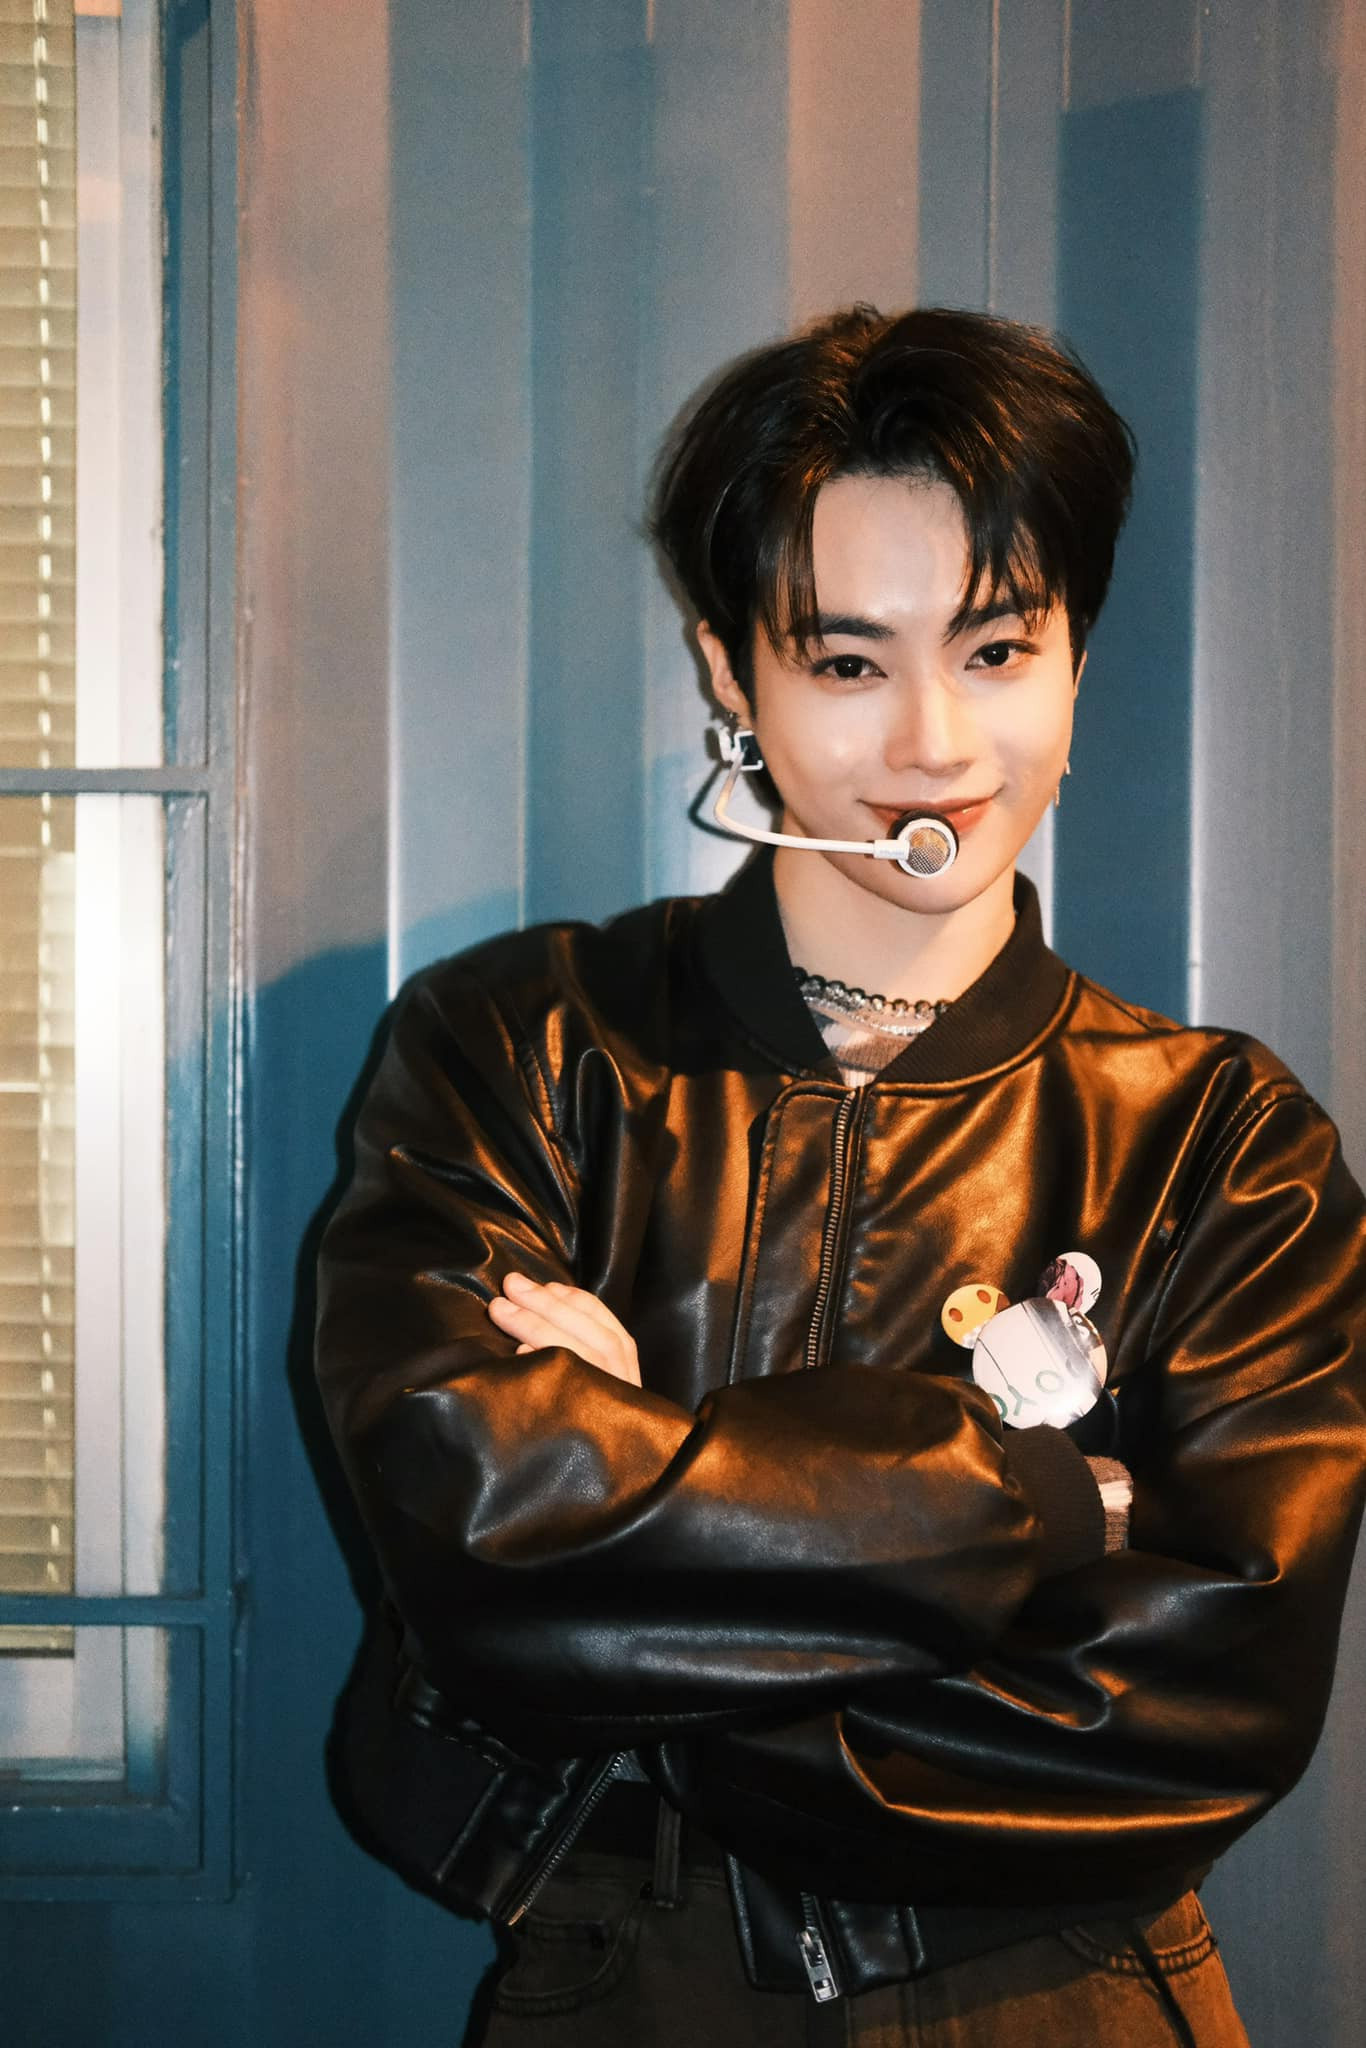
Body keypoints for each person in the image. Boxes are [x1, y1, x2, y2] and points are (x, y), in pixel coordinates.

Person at [314, 307, 1366, 2047]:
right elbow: (480, 1544)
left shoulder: (1219, 1141)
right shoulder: (528, 1047)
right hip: (621, 1986)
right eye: (848, 663)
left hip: (1064, 1987)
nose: (934, 745)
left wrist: (647, 1519)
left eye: (997, 648)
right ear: (730, 672)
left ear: (1077, 661)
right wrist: (1035, 1510)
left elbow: (1202, 1701)